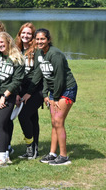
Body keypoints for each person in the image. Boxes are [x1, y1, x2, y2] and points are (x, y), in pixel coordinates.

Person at [32, 28, 77, 166]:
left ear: (48, 39)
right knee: (54, 122)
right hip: (54, 90)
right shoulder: (40, 53)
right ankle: (52, 154)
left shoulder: (55, 54)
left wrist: (55, 98)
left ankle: (64, 156)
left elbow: (59, 78)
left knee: (58, 121)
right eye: (37, 39)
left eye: (42, 39)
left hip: (66, 89)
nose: (40, 41)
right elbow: (45, 75)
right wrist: (45, 94)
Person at [0, 32, 25, 167]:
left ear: (8, 41)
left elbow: (17, 81)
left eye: (1, 42)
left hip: (7, 96)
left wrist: (5, 96)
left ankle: (2, 157)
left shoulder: (17, 58)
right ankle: (6, 155)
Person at [15, 23, 43, 160]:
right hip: (22, 89)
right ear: (19, 34)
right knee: (32, 118)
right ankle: (32, 149)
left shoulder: (36, 51)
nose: (25, 36)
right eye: (23, 33)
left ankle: (32, 146)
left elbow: (38, 73)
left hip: (35, 90)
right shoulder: (17, 50)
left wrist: (29, 93)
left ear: (32, 36)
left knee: (24, 116)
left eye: (29, 34)